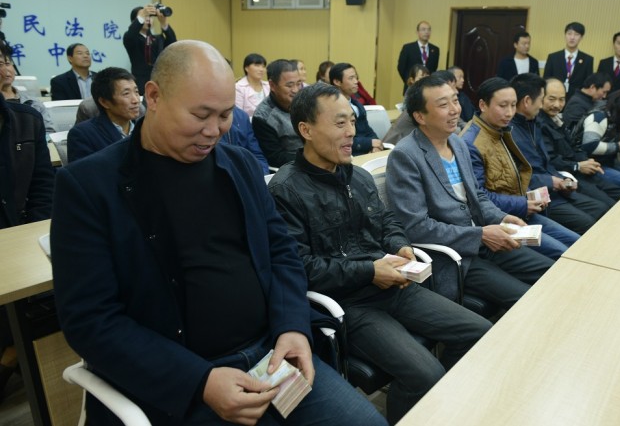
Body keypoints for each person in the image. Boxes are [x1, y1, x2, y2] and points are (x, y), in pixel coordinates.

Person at [51, 40, 387, 426]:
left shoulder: (239, 164)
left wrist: (292, 326)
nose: (214, 132)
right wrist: (200, 381)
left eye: (226, 115)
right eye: (200, 115)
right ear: (154, 97)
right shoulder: (89, 185)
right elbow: (90, 320)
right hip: (182, 379)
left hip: (271, 356)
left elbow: (281, 252)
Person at [268, 82, 491, 425]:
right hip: (350, 305)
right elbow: (302, 268)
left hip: (394, 285)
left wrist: (401, 245)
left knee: (480, 332)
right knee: (425, 374)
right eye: (339, 123)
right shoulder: (286, 190)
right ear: (306, 130)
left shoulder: (357, 176)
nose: (351, 132)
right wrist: (371, 271)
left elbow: (387, 221)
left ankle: (435, 407)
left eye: (352, 121)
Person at [385, 76, 553, 307]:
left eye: (455, 100)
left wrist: (501, 217)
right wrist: (480, 235)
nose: (455, 110)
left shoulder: (458, 143)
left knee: (551, 272)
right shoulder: (405, 156)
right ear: (420, 116)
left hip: (486, 240)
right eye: (443, 105)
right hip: (455, 256)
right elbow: (416, 227)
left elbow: (477, 196)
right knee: (527, 297)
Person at [460, 77, 579, 260]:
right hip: (501, 220)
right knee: (566, 255)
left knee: (578, 244)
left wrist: (530, 195)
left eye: (513, 105)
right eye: (503, 106)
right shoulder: (472, 143)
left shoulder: (501, 130)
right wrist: (523, 204)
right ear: (483, 105)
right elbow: (478, 198)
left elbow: (513, 175)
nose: (509, 112)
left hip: (522, 211)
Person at [0, 93, 54, 402]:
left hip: (22, 234)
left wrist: (31, 231)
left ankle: (12, 356)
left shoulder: (26, 119)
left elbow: (43, 183)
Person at [509, 73, 609, 235]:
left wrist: (562, 180)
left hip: (554, 188)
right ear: (527, 101)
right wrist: (554, 181)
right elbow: (519, 176)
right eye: (543, 99)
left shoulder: (533, 124)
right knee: (589, 223)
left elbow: (546, 163)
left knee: (602, 208)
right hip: (537, 195)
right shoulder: (511, 132)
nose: (543, 105)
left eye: (562, 99)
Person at [537, 78, 620, 199]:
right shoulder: (539, 124)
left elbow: (573, 147)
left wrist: (587, 161)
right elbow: (551, 160)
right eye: (552, 99)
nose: (557, 105)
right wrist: (578, 166)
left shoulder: (557, 120)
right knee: (606, 205)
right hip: (567, 176)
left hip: (581, 170)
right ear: (540, 98)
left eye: (562, 99)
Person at [67, 67, 141, 163]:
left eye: (136, 92)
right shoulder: (83, 135)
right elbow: (84, 171)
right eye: (126, 93)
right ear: (104, 102)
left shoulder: (145, 128)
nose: (136, 100)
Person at [252, 59, 303, 168]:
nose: (295, 90)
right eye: (289, 85)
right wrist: (312, 158)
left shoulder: (306, 101)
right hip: (294, 168)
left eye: (299, 84)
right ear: (272, 85)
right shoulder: (263, 116)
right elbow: (276, 158)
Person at [329, 62, 382, 155]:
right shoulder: (332, 108)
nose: (356, 81)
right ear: (337, 82)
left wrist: (376, 146)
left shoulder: (356, 104)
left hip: (367, 151)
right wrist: (369, 143)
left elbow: (368, 130)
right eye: (351, 78)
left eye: (356, 77)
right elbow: (340, 139)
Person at [0, 44, 55, 133]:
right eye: (0, 64)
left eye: (7, 64)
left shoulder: (33, 103)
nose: (6, 69)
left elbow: (49, 132)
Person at [123, 4, 177, 93]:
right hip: (141, 85)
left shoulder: (157, 39)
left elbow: (172, 44)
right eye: (144, 16)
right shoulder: (131, 38)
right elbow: (131, 35)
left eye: (150, 16)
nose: (147, 18)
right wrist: (142, 16)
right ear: (134, 21)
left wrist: (164, 23)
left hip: (159, 82)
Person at [543, 22, 594, 99]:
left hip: (576, 99)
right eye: (569, 34)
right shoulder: (553, 57)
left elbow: (587, 85)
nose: (572, 37)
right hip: (555, 98)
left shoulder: (588, 60)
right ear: (565, 35)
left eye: (576, 34)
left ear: (581, 37)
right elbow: (546, 80)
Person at [384, 64, 430, 145]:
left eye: (427, 78)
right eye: (421, 78)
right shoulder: (414, 95)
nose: (425, 82)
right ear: (412, 80)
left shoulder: (425, 94)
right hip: (399, 140)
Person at [222, 105, 270, 174]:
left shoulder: (242, 116)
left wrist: (262, 175)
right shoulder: (211, 124)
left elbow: (257, 155)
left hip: (247, 174)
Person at [397, 21, 439, 94]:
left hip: (428, 88)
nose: (426, 32)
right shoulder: (408, 48)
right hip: (411, 87)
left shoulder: (435, 49)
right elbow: (401, 67)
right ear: (417, 32)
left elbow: (434, 69)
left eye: (429, 29)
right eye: (423, 29)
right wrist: (410, 81)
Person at [235, 53, 270, 118]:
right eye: (257, 65)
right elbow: (238, 114)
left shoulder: (268, 85)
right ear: (246, 68)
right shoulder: (238, 87)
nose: (261, 69)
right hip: (247, 123)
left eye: (263, 66)